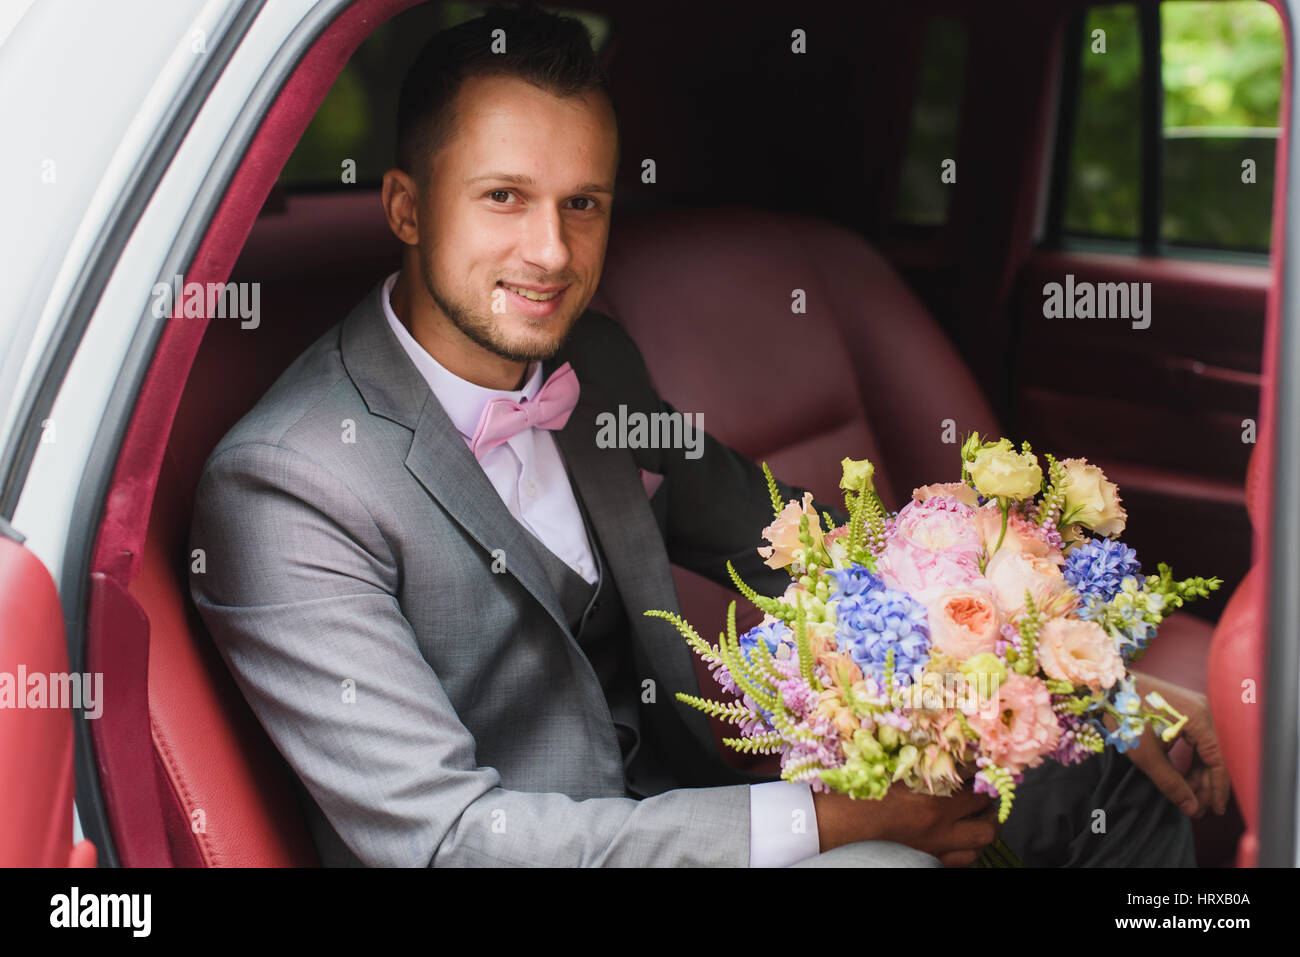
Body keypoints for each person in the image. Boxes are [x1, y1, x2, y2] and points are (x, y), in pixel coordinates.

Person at [188, 2, 1225, 867]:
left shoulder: (592, 364)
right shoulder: (287, 485)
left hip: (690, 801)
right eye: (502, 198)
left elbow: (803, 548)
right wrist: (827, 820)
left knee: (1085, 779)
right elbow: (449, 840)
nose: (549, 250)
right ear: (408, 209)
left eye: (582, 204)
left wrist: (1062, 679)